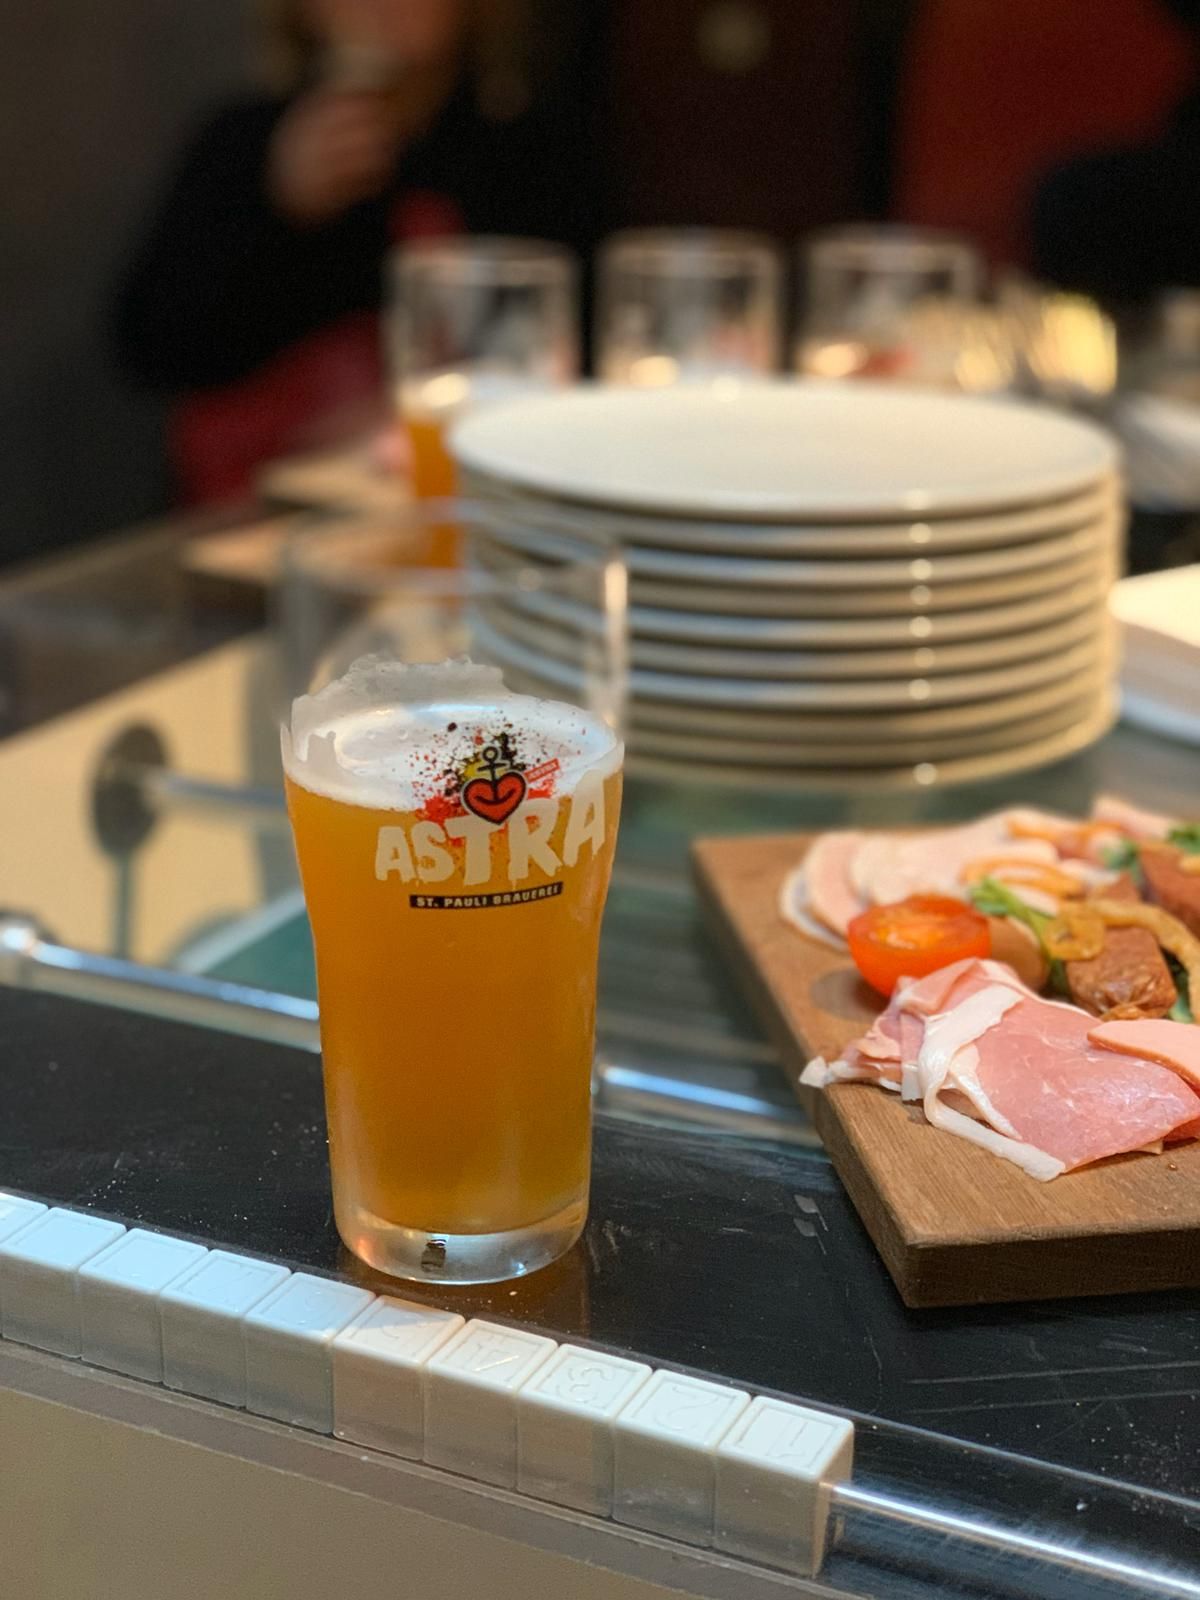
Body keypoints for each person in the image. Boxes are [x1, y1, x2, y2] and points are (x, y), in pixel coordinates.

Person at [113, 0, 593, 496]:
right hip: (255, 497)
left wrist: (404, 409)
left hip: (470, 483)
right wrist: (273, 206)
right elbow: (151, 344)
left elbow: (575, 347)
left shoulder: (524, 153)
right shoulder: (245, 143)